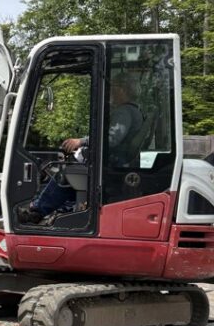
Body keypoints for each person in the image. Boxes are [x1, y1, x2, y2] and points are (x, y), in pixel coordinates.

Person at [18, 74, 144, 224]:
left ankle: (37, 212)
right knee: (72, 177)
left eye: (114, 88)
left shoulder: (124, 112)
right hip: (116, 162)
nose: (111, 92)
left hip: (111, 163)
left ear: (123, 90)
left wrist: (81, 142)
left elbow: (111, 139)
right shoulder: (134, 111)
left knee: (66, 174)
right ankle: (56, 212)